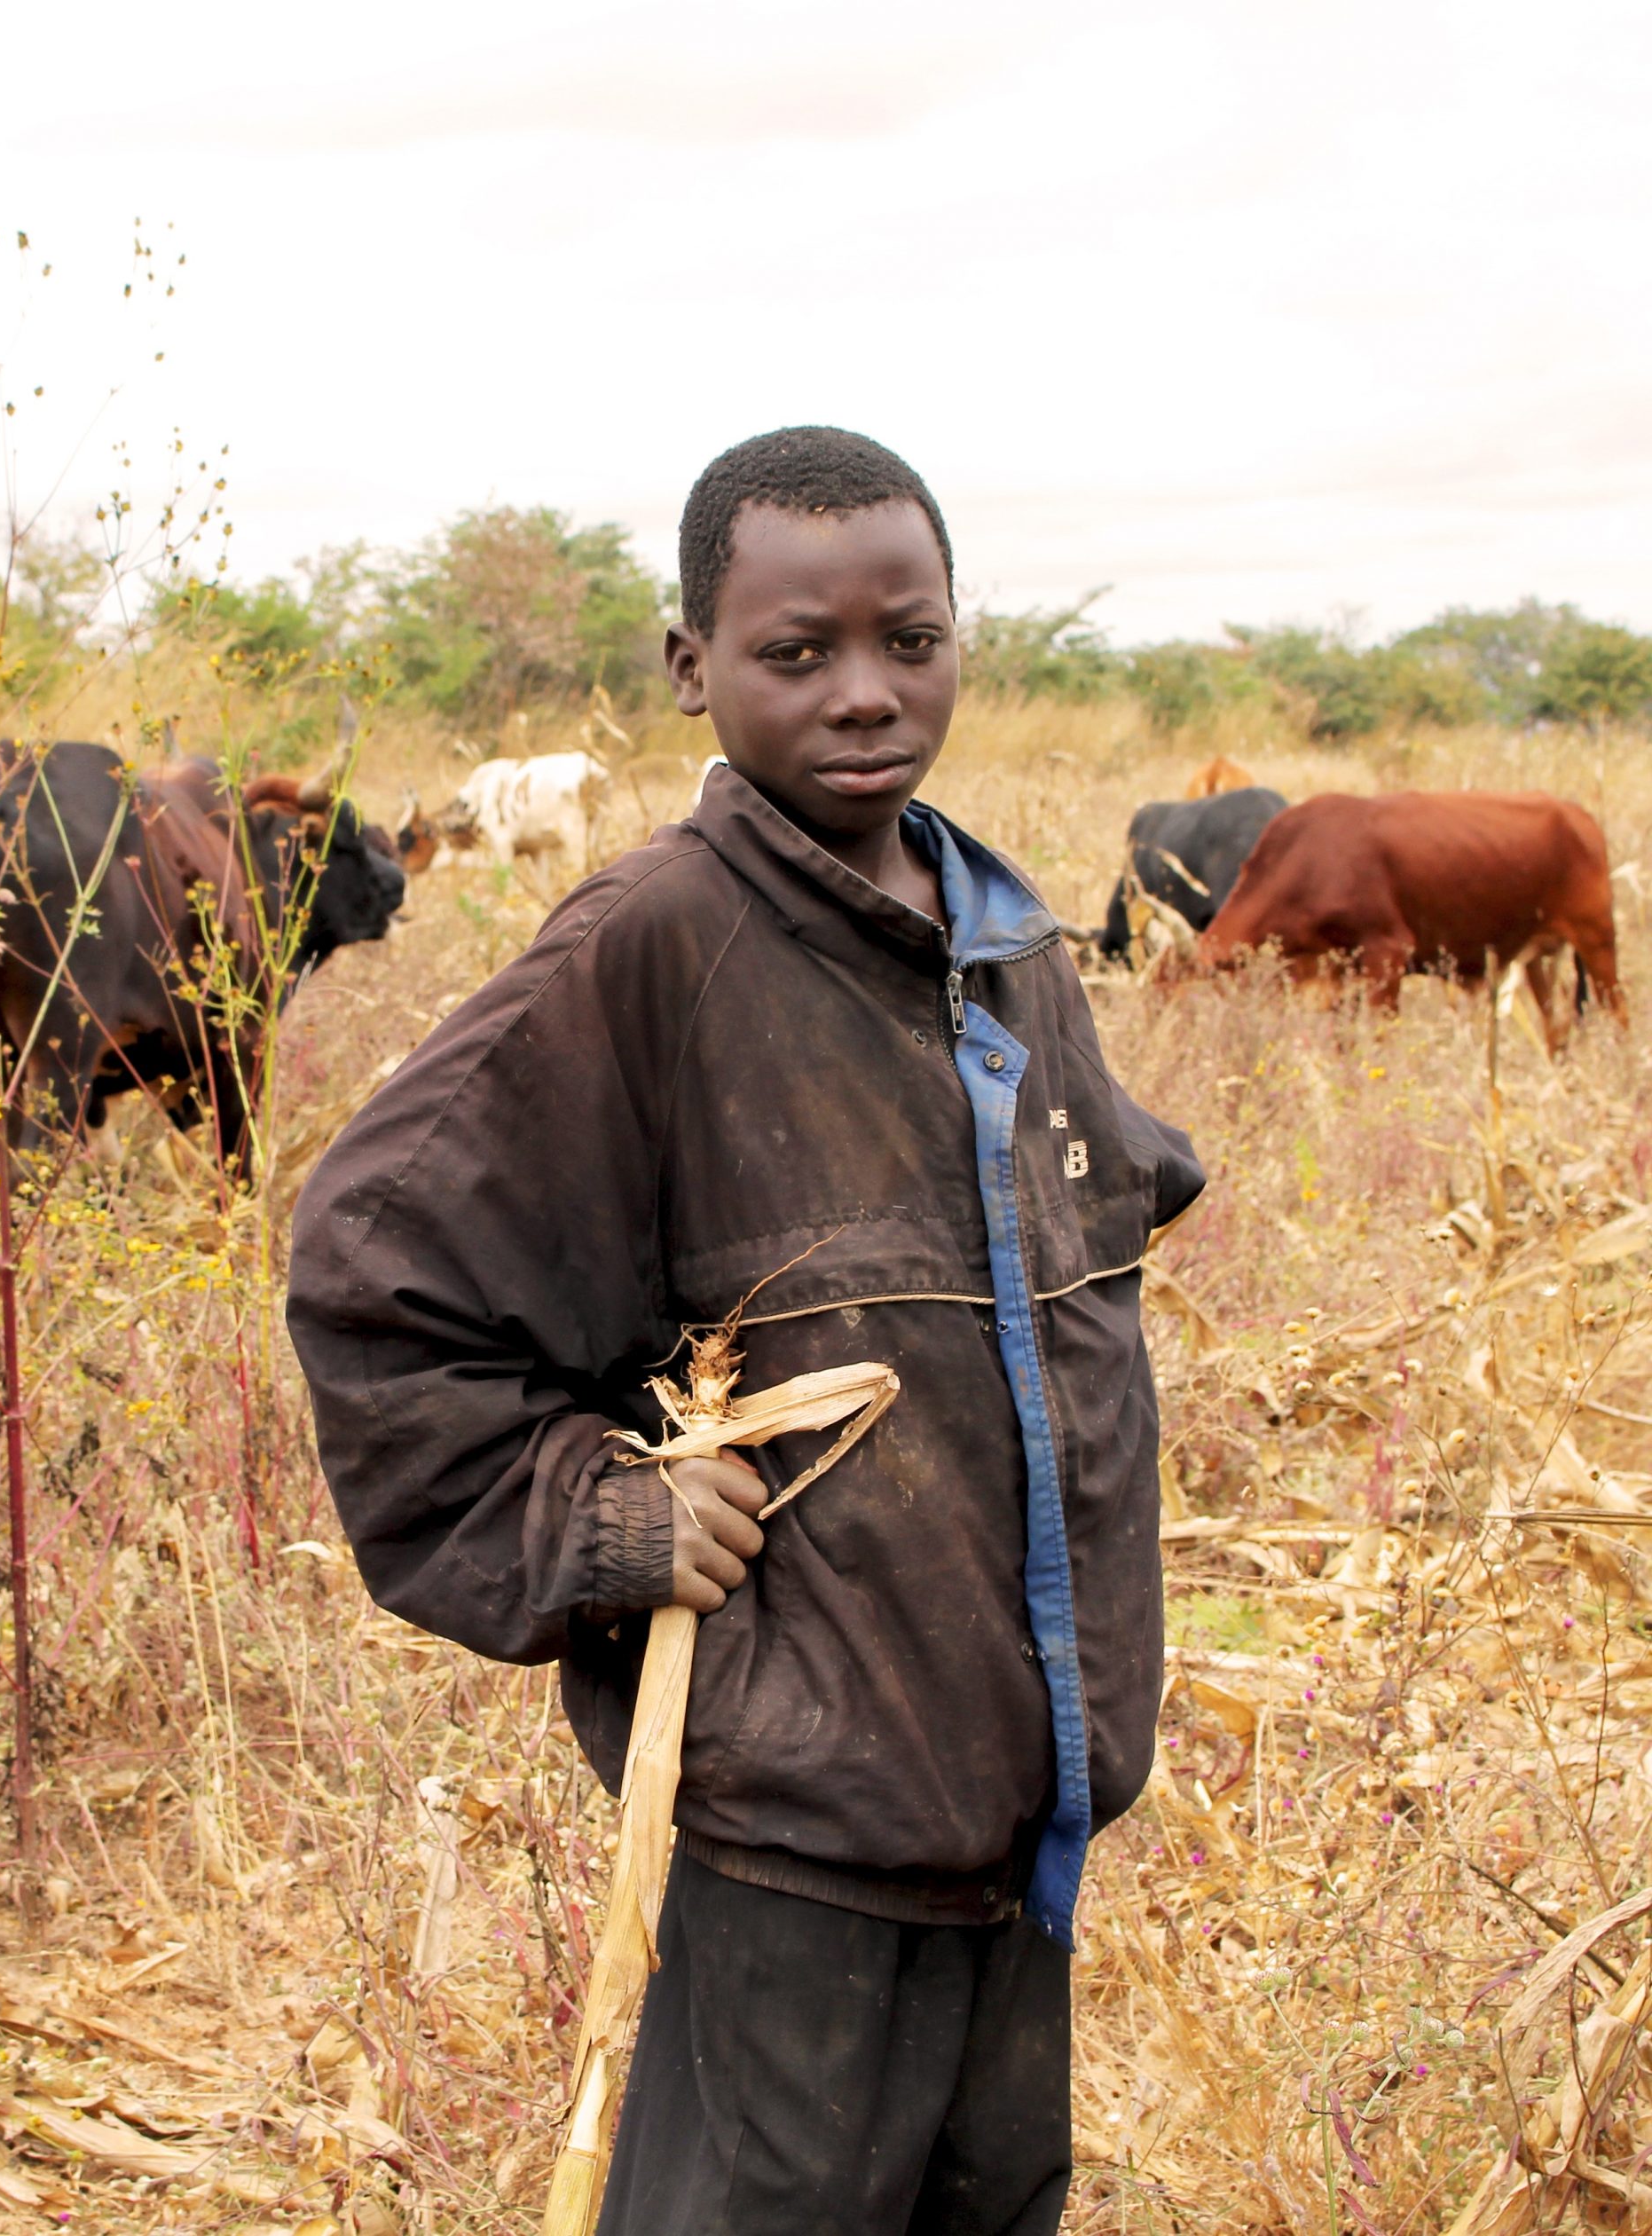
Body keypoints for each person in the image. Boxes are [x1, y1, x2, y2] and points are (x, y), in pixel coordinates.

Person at [286, 426, 1204, 2234]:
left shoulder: (1011, 947)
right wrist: (601, 1515)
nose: (864, 692)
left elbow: (1101, 1215)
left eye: (909, 640)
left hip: (1020, 1805)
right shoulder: (653, 945)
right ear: (690, 665)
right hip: (802, 1818)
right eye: (797, 651)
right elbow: (376, 1268)